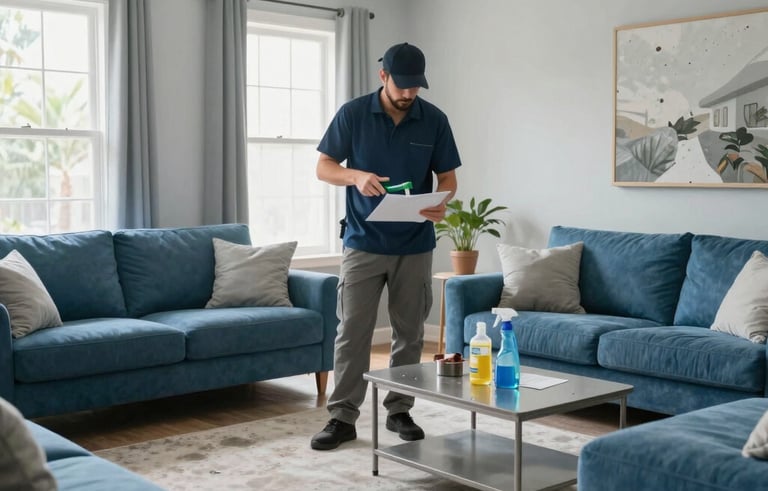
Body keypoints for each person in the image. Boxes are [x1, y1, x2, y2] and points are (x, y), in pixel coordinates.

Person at [310, 42, 461, 451]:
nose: (408, 94)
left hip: (415, 243)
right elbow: (324, 167)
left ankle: (399, 410)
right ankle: (342, 417)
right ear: (383, 76)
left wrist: (442, 202)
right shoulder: (353, 114)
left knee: (409, 333)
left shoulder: (434, 120)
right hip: (363, 242)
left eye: (416, 86)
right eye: (401, 85)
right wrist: (355, 176)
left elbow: (448, 178)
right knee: (352, 332)